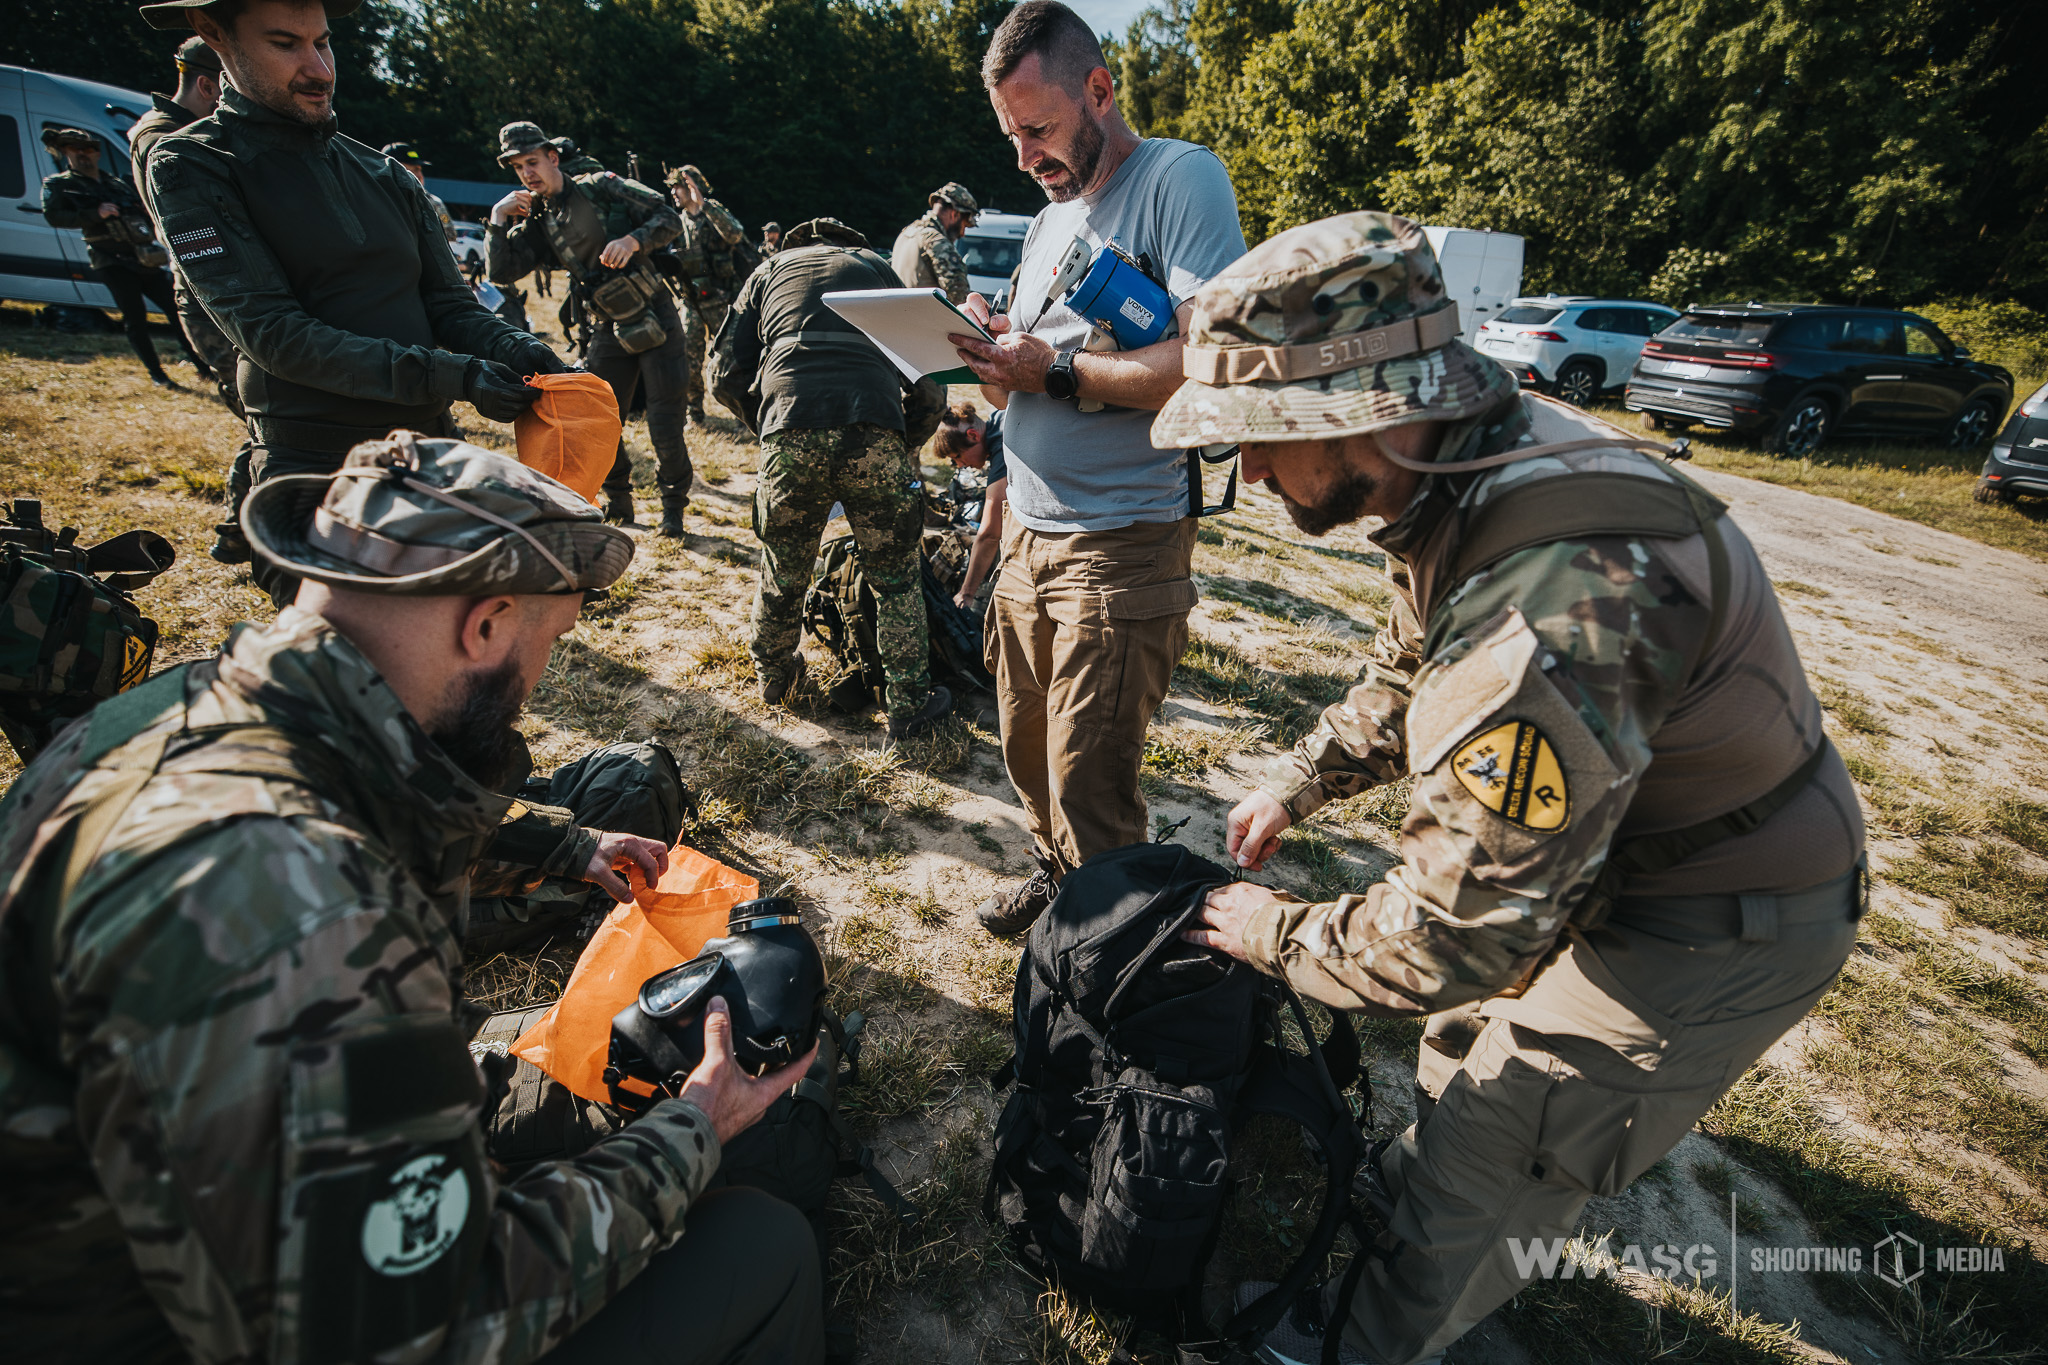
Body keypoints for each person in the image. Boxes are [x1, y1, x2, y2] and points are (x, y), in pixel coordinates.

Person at [1155, 213, 1866, 1365]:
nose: (1244, 471)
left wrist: (1275, 934)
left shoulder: (1553, 600)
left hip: (1706, 919)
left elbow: (1455, 931)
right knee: (1464, 1060)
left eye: (1256, 436)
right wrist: (1299, 779)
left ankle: (1362, 1341)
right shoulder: (1456, 468)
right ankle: (1415, 1213)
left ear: (1364, 411)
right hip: (1619, 850)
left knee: (1504, 1132)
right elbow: (1407, 661)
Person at [0, 432, 825, 1364]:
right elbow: (425, 1318)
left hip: (122, 1231)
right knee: (760, 1248)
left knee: (542, 1086)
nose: (539, 676)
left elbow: (387, 795)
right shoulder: (311, 913)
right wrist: (689, 1137)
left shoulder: (159, 719)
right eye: (546, 639)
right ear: (485, 624)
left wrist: (566, 844)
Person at [948, 0, 1244, 935]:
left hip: (1121, 542)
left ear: (1100, 91)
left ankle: (1112, 952)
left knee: (1090, 776)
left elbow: (1208, 361)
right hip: (1030, 532)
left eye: (1036, 129)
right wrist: (996, 364)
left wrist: (1056, 369)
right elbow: (1022, 387)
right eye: (1011, 136)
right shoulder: (1046, 222)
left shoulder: (1179, 179)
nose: (1024, 156)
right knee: (1028, 748)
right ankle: (1058, 880)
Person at [141, 0, 563, 605]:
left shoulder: (383, 173)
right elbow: (273, 334)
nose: (318, 69)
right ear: (215, 37)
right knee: (358, 661)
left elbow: (451, 306)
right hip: (316, 465)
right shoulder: (193, 164)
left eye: (324, 42)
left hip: (426, 451)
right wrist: (457, 374)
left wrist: (525, 351)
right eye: (286, 44)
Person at [710, 217, 952, 741]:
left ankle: (776, 680)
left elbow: (722, 375)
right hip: (875, 430)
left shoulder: (768, 270)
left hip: (789, 430)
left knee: (783, 567)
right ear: (851, 246)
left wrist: (772, 428)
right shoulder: (878, 269)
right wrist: (899, 441)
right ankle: (908, 704)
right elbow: (930, 385)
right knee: (895, 578)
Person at [487, 121, 692, 536]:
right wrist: (496, 219)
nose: (527, 173)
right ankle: (619, 500)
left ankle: (673, 509)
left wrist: (634, 241)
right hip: (605, 324)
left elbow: (669, 216)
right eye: (518, 167)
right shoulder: (540, 217)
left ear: (553, 158)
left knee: (664, 418)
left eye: (533, 162)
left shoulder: (602, 185)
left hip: (654, 312)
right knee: (600, 416)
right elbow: (503, 271)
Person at [129, 33, 254, 563]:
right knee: (265, 412)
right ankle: (239, 529)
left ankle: (241, 528)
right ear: (208, 85)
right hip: (212, 298)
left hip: (227, 292)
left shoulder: (172, 130)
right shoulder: (165, 139)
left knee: (268, 410)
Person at [38, 126, 204, 388]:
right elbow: (53, 216)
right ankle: (157, 375)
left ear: (96, 153)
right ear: (65, 152)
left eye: (88, 149)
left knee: (176, 310)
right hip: (110, 259)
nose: (83, 154)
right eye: (75, 149)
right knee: (135, 318)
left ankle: (202, 365)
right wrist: (96, 213)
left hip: (143, 256)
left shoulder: (116, 183)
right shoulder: (60, 185)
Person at [666, 164, 749, 427]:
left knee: (732, 359)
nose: (674, 194)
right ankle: (694, 413)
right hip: (690, 300)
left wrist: (706, 206)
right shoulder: (677, 223)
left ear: (692, 187)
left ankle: (741, 414)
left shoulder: (713, 213)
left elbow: (735, 234)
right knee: (688, 356)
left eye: (677, 187)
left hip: (723, 300)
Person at [933, 403, 1009, 608]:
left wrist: (966, 593)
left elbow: (990, 534)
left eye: (957, 457)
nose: (960, 465)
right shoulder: (999, 420)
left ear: (973, 435)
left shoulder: (1004, 443)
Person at [892, 181, 978, 303]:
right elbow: (959, 298)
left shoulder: (906, 234)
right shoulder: (937, 242)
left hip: (899, 316)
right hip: (925, 319)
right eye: (964, 225)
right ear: (955, 214)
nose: (962, 234)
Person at [383, 141, 459, 247]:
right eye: (413, 170)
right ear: (392, 170)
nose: (419, 175)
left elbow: (450, 238)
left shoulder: (433, 202)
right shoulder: (374, 199)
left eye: (419, 170)